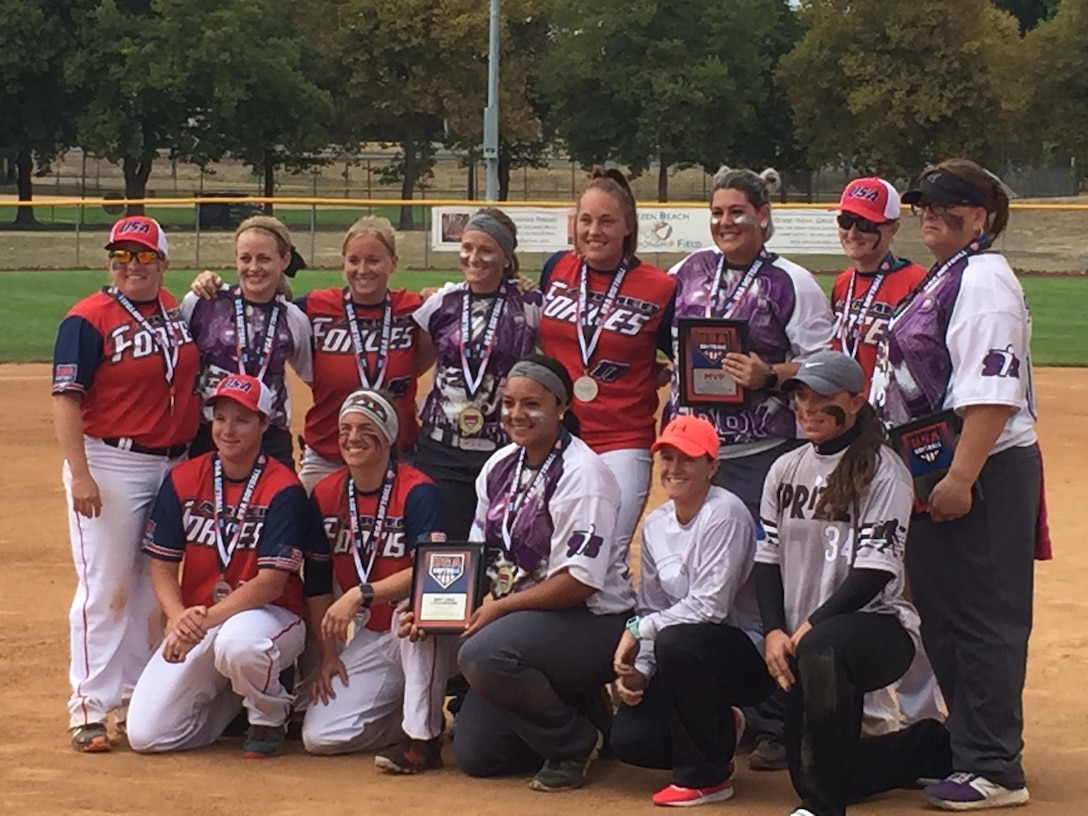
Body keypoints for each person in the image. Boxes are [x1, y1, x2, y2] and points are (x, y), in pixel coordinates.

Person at [875, 160, 1041, 812]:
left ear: (978, 216)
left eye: (943, 206)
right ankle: (971, 748)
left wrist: (962, 477)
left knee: (984, 620)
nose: (928, 215)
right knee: (943, 616)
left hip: (981, 469)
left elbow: (992, 392)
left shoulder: (986, 282)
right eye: (922, 205)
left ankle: (996, 765)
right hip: (934, 467)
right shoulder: (953, 274)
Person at [664, 167, 834, 770]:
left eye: (738, 211)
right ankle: (722, 701)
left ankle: (774, 716)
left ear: (764, 215)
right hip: (695, 446)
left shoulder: (793, 282)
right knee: (706, 578)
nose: (726, 222)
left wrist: (770, 375)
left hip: (761, 450)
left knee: (767, 582)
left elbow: (822, 363)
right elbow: (668, 340)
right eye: (717, 212)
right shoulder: (689, 271)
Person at [421, 354, 634, 791]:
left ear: (561, 406)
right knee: (478, 754)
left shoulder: (583, 473)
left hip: (593, 621)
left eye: (531, 403)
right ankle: (580, 708)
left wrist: (498, 611)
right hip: (529, 623)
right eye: (509, 403)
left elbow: (579, 581)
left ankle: (573, 741)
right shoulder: (500, 465)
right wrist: (431, 609)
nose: (517, 414)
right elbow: (477, 554)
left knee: (484, 654)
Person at [756, 350, 952, 816]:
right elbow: (767, 559)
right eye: (800, 397)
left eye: (822, 398)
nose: (807, 408)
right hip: (810, 638)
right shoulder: (785, 469)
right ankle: (929, 747)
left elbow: (876, 569)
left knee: (826, 646)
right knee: (808, 771)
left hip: (878, 628)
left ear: (856, 400)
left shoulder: (884, 471)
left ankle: (824, 809)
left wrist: (808, 627)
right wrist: (772, 630)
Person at [51, 216, 201, 752]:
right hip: (110, 463)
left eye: (142, 257)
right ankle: (88, 706)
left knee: (150, 589)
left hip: (170, 464)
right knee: (105, 589)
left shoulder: (174, 312)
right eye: (120, 258)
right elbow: (67, 398)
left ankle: (137, 695)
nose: (130, 267)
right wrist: (81, 472)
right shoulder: (88, 317)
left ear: (163, 262)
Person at [125, 374, 308, 759]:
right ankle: (228, 706)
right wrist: (177, 618)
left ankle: (268, 715)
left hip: (269, 616)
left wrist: (203, 621)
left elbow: (271, 583)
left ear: (264, 424)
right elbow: (161, 563)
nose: (228, 429)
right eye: (221, 417)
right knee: (146, 735)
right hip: (199, 618)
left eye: (242, 419)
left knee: (239, 643)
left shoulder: (283, 487)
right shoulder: (184, 478)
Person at [610, 415, 773, 807]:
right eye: (667, 458)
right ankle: (723, 726)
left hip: (746, 655)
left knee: (680, 639)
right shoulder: (655, 524)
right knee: (631, 742)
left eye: (688, 459)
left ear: (712, 467)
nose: (674, 469)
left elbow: (710, 608)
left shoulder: (726, 513)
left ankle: (707, 777)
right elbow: (652, 604)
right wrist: (643, 671)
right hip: (684, 655)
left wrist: (637, 631)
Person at [830, 178, 944, 730]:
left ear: (892, 229)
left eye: (867, 226)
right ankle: (872, 712)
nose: (854, 233)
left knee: (899, 583)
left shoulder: (915, 282)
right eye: (847, 223)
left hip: (898, 445)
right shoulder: (843, 284)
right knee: (853, 572)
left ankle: (924, 715)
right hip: (852, 444)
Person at [301, 389, 455, 773]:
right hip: (373, 634)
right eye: (346, 429)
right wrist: (329, 654)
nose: (352, 438)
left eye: (365, 429)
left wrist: (361, 593)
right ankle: (405, 719)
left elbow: (430, 568)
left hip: (428, 634)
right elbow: (318, 581)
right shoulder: (326, 492)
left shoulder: (418, 490)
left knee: (414, 612)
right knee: (320, 738)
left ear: (387, 436)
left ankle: (423, 740)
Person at [538, 167, 675, 563]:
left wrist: (659, 373)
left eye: (606, 221)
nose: (594, 230)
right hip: (556, 436)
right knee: (548, 550)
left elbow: (682, 353)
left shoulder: (659, 286)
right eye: (586, 220)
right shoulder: (556, 269)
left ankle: (616, 626)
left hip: (622, 439)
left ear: (628, 227)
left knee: (604, 555)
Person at [413, 208, 542, 539]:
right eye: (467, 247)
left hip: (502, 448)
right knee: (444, 551)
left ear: (505, 255)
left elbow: (561, 354)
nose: (474, 258)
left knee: (501, 549)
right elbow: (416, 365)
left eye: (486, 250)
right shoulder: (442, 303)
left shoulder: (529, 305)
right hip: (442, 450)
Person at [296, 217, 426, 491]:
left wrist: (518, 284)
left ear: (393, 262)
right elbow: (268, 304)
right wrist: (210, 284)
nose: (362, 270)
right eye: (353, 260)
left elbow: (462, 302)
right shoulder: (316, 306)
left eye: (373, 260)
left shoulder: (414, 309)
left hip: (396, 459)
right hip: (327, 457)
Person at [182, 215, 312, 467]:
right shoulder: (203, 302)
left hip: (269, 435)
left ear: (284, 260)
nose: (253, 267)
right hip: (213, 432)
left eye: (264, 258)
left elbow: (310, 374)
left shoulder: (293, 319)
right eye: (245, 258)